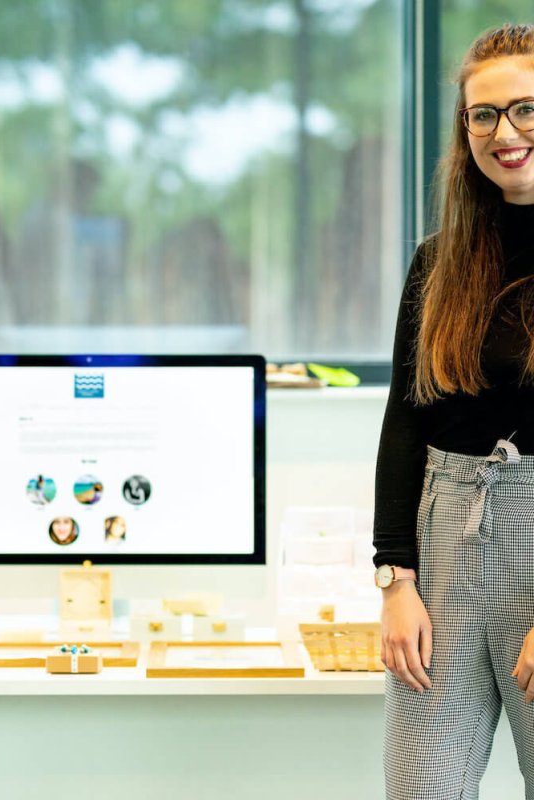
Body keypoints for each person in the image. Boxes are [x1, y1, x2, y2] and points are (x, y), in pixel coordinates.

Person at [374, 24, 534, 799]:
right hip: (445, 547)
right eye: (483, 114)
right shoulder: (440, 259)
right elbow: (407, 420)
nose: (504, 133)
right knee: (421, 788)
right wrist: (395, 580)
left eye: (526, 109)